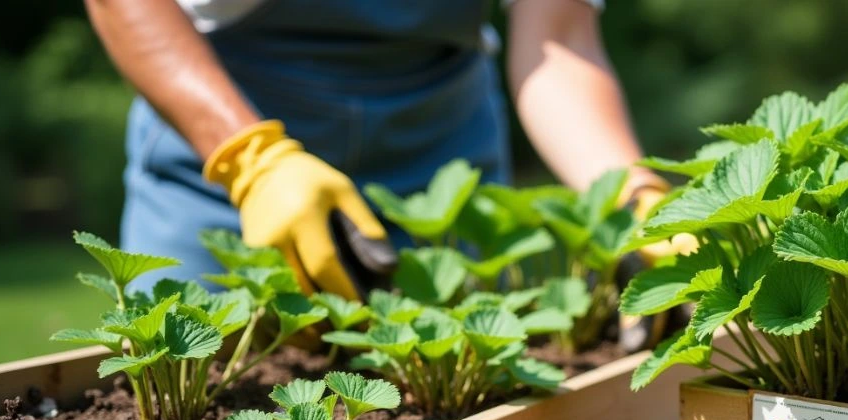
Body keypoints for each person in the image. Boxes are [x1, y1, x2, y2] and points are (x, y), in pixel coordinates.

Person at [85, 0, 679, 315]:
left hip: (437, 156)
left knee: (447, 396)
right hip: (219, 152)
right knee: (196, 379)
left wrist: (637, 199)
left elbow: (559, 40)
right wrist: (250, 158)